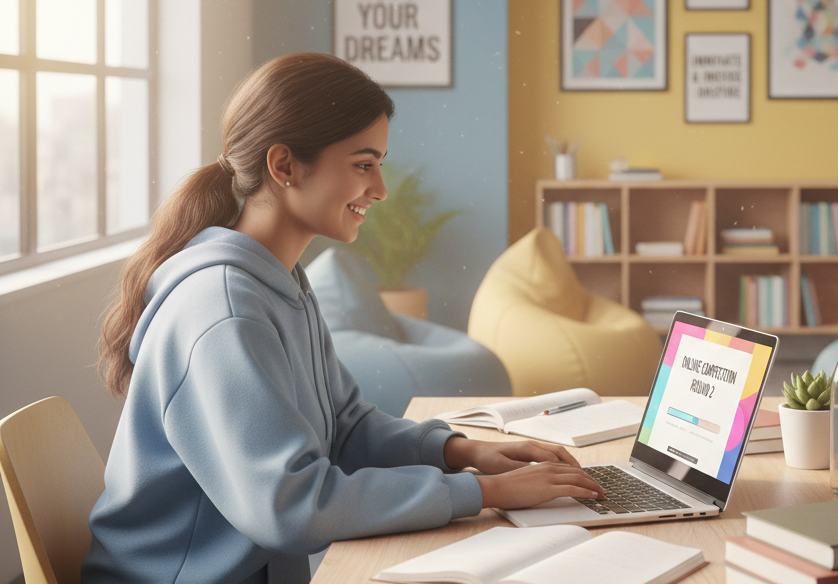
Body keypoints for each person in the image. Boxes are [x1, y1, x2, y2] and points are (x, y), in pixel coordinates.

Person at [82, 53, 603, 584]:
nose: (380, 189)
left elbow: (344, 426)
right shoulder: (223, 309)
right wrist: (482, 492)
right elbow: (290, 507)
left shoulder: (280, 282)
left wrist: (461, 451)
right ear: (284, 166)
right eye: (362, 164)